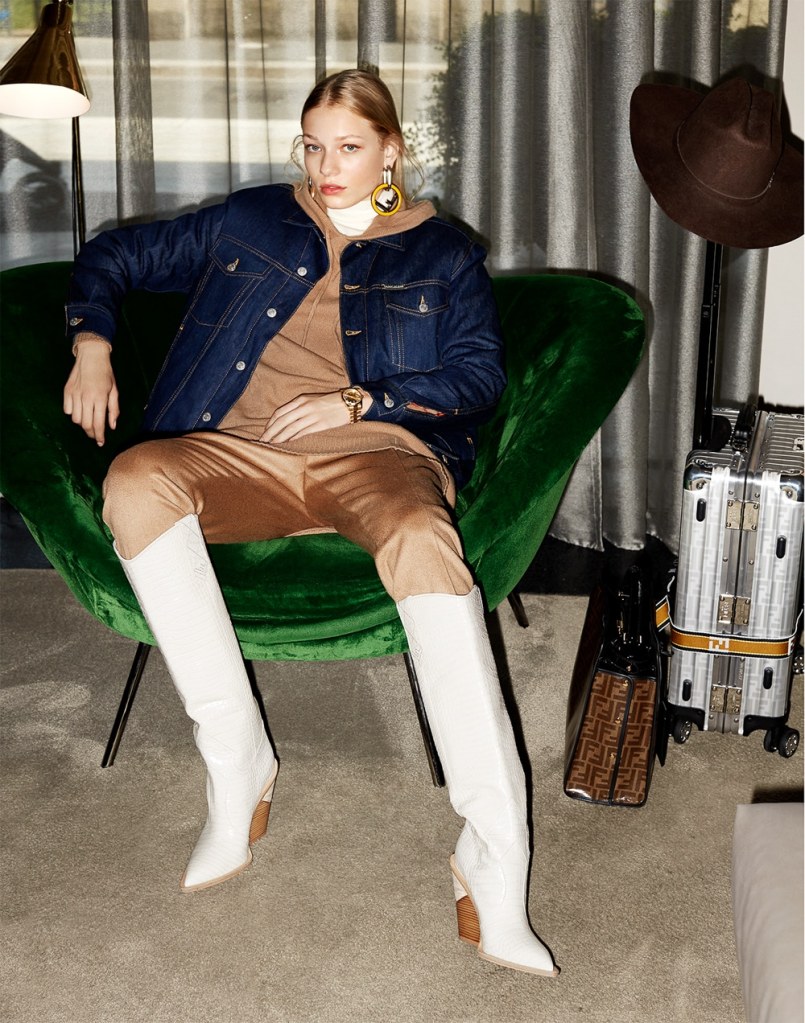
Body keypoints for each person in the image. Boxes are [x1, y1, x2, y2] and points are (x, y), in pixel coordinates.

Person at [62, 69, 558, 978]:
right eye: (313, 146)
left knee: (424, 542)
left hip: (375, 455)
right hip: (237, 456)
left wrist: (362, 398)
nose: (326, 167)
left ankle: (495, 852)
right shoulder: (253, 219)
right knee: (134, 481)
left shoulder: (440, 252)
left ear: (390, 152)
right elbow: (114, 255)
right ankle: (237, 763)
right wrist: (91, 340)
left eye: (349, 147)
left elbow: (478, 374)